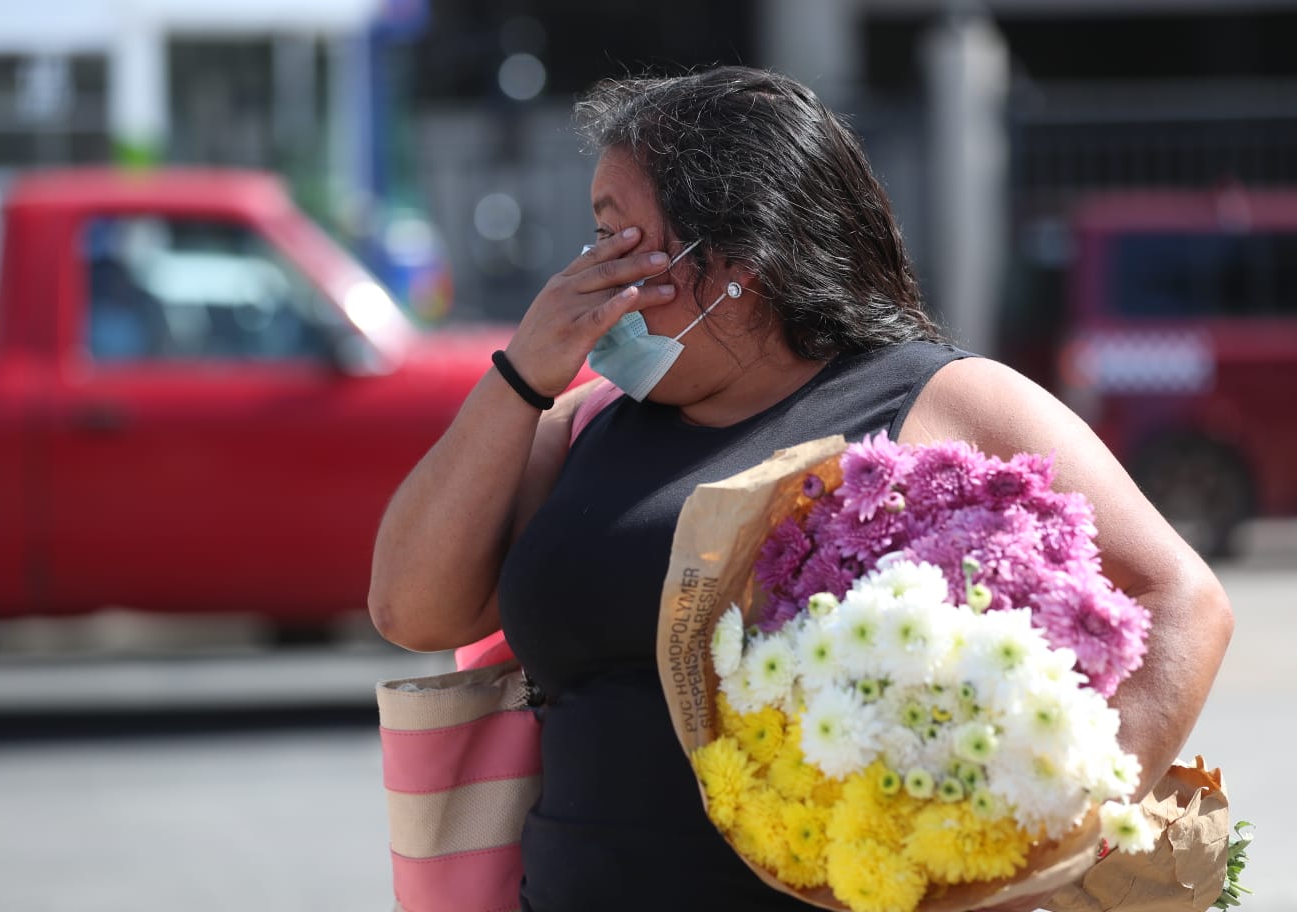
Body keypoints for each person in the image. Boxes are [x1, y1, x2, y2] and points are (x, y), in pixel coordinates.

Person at [368, 66, 1233, 911]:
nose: (590, 268)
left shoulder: (938, 399)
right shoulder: (584, 426)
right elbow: (411, 612)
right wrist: (520, 376)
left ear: (737, 262)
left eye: (615, 235)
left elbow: (1183, 600)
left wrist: (1044, 839)